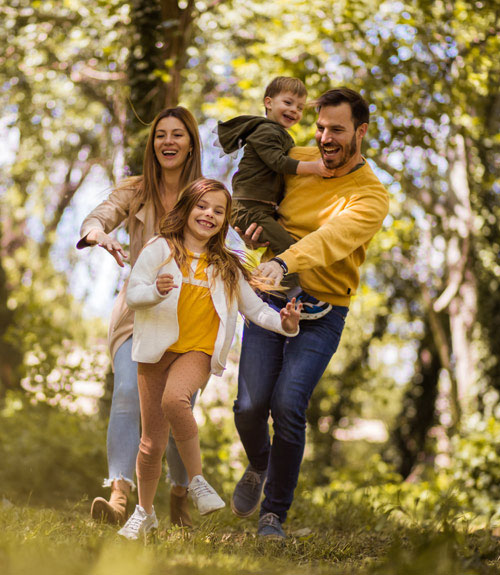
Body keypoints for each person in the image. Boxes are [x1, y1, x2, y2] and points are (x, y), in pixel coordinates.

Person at [231, 88, 390, 538]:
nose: (325, 138)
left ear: (360, 131)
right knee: (248, 406)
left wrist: (284, 260)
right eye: (320, 127)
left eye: (336, 130)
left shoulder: (371, 196)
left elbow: (331, 239)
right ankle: (261, 464)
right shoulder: (297, 158)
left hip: (323, 309)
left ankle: (273, 514)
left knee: (287, 404)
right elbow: (250, 190)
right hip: (270, 296)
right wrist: (250, 223)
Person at [117, 178, 301, 540]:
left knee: (175, 400)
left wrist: (284, 323)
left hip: (197, 352)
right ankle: (144, 512)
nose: (209, 215)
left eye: (219, 211)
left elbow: (255, 309)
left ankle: (197, 481)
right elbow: (134, 293)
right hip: (156, 351)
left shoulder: (227, 266)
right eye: (203, 206)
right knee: (151, 443)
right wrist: (155, 291)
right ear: (187, 208)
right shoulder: (160, 249)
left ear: (224, 221)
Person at [77, 106, 202, 528]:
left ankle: (179, 495)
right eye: (161, 135)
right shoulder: (135, 190)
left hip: (190, 317)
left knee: (177, 404)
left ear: (190, 144)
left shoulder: (205, 194)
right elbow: (98, 216)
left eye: (177, 135)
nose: (168, 141)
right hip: (139, 310)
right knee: (129, 393)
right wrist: (98, 233)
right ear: (153, 145)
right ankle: (118, 498)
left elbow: (232, 241)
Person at [216, 76, 335, 318]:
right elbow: (277, 162)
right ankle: (296, 297)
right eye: (288, 103)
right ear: (268, 103)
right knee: (288, 248)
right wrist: (314, 167)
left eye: (300, 108)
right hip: (248, 208)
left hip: (259, 208)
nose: (294, 111)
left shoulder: (277, 133)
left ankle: (274, 290)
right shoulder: (266, 130)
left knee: (286, 243)